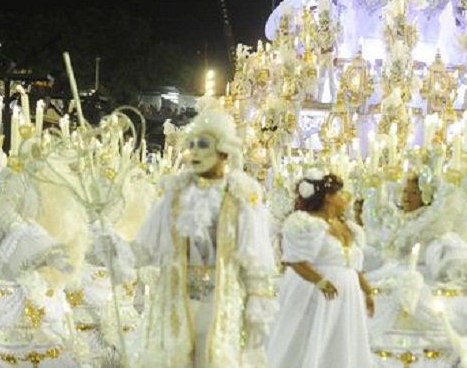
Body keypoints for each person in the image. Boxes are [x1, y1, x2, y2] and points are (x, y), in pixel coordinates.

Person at [130, 103, 277, 367]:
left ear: (223, 152)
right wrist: (114, 249)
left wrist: (258, 301)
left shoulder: (240, 198)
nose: (195, 151)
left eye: (203, 144)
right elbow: (146, 248)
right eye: (192, 144)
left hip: (222, 299)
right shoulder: (174, 195)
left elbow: (255, 260)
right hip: (176, 297)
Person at [267, 170, 374, 368]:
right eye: (340, 194)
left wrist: (367, 290)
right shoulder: (306, 223)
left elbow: (353, 264)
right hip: (317, 294)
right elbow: (294, 260)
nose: (345, 198)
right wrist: (319, 281)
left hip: (347, 295)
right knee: (314, 340)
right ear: (328, 198)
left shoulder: (348, 226)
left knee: (343, 342)